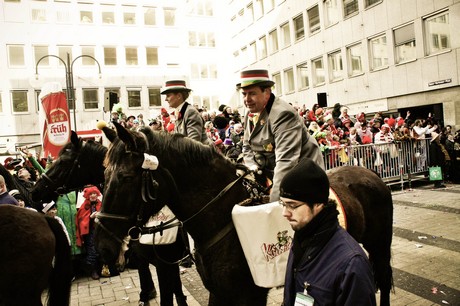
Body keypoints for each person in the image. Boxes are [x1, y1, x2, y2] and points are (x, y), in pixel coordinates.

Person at [280, 159, 376, 305]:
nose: (284, 213)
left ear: (318, 204)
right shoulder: (302, 235)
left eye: (292, 206)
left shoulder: (352, 264)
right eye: (283, 204)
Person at [240, 69, 324, 201]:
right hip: (271, 173)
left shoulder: (283, 114)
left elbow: (286, 162)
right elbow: (247, 146)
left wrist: (274, 203)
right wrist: (252, 169)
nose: (247, 99)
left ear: (267, 92)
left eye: (252, 94)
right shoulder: (250, 112)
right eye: (244, 94)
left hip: (301, 172)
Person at [160, 80, 212, 145]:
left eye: (168, 95)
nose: (166, 99)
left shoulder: (190, 112)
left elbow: (193, 144)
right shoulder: (180, 111)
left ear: (179, 96)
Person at [76, 185, 102, 280]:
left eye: (95, 193)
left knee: (99, 250)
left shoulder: (100, 204)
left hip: (99, 231)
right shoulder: (84, 206)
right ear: (87, 195)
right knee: (92, 251)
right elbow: (81, 219)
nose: (93, 195)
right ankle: (92, 270)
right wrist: (90, 218)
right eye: (91, 194)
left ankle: (99, 269)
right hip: (90, 232)